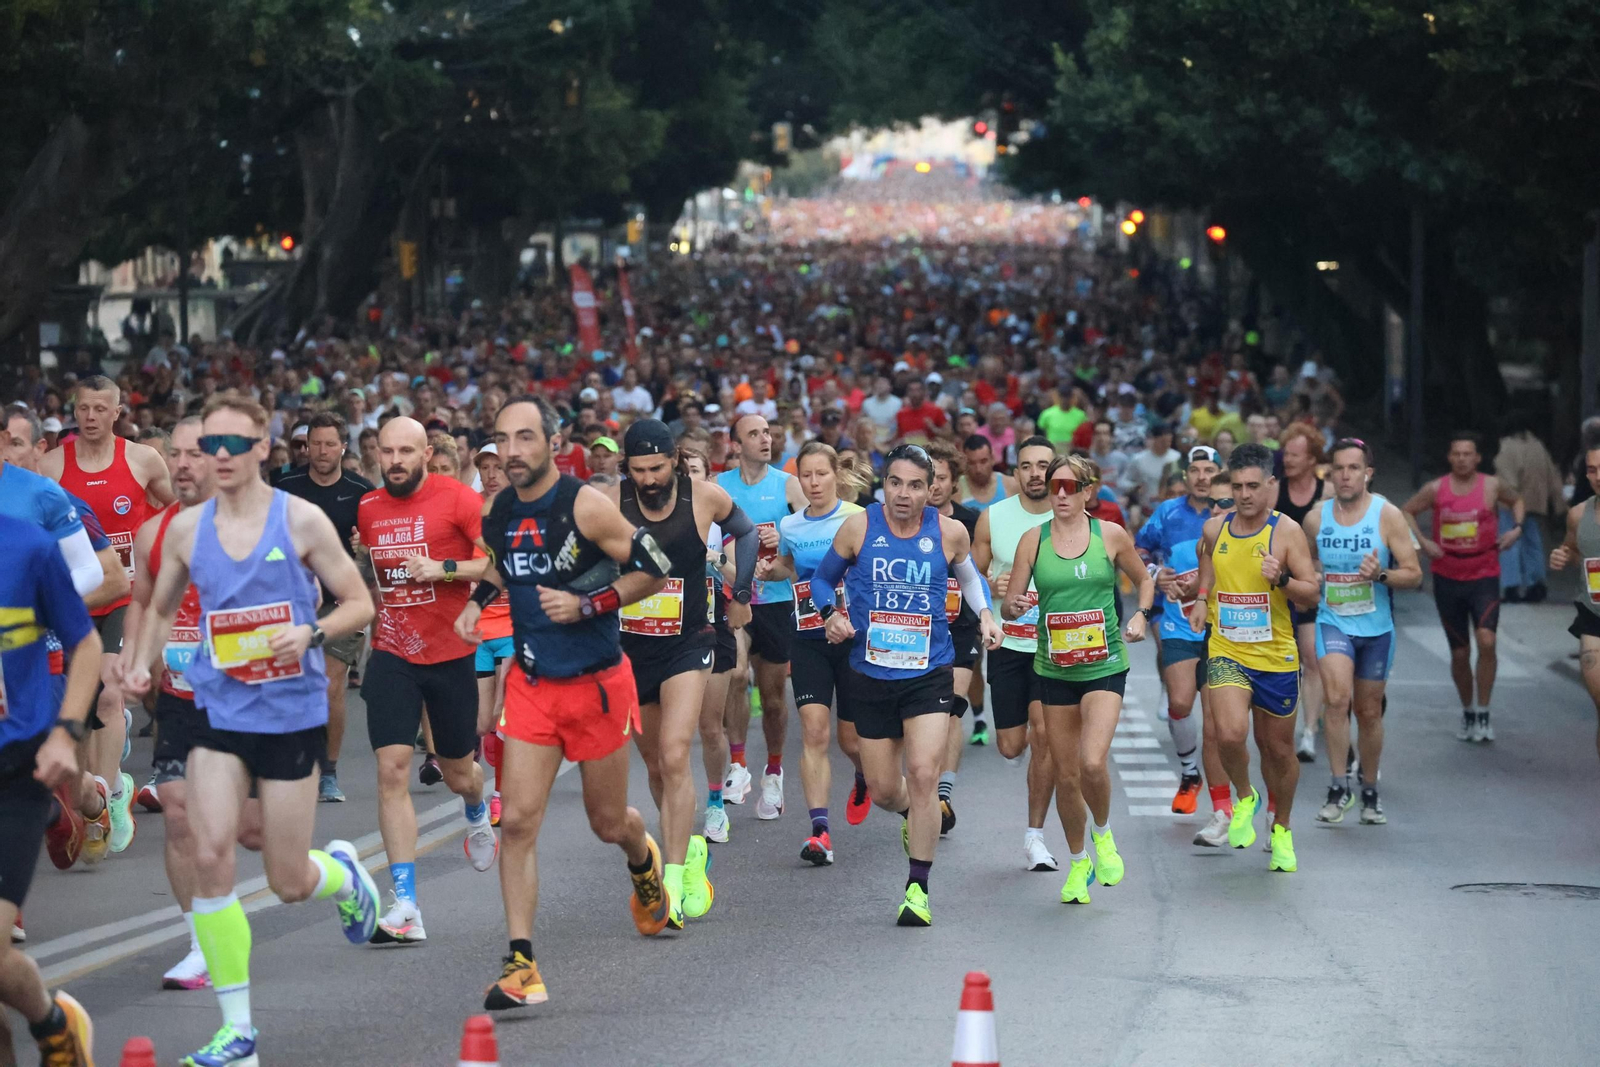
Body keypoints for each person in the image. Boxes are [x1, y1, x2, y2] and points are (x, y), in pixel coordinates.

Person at [122, 393, 381, 1067]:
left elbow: (358, 602)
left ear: (264, 448)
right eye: (212, 444)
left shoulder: (300, 519)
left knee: (288, 879)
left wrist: (312, 632)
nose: (222, 455)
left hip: (289, 712)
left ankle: (343, 876)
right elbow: (159, 606)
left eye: (236, 443)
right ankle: (237, 1031)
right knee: (212, 855)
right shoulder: (186, 531)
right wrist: (140, 662)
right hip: (217, 709)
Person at [453, 395, 674, 1011]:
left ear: (552, 442)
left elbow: (656, 567)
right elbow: (502, 565)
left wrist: (588, 604)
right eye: (503, 439)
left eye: (525, 437)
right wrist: (474, 603)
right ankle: (521, 964)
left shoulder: (585, 506)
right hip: (531, 686)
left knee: (609, 824)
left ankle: (642, 857)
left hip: (597, 685)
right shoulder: (499, 510)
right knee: (518, 822)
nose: (512, 451)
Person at [806, 444, 1003, 925]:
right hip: (870, 672)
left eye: (916, 485)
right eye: (895, 483)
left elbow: (971, 580)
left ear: (930, 489)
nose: (904, 494)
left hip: (929, 671)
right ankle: (911, 815)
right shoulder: (858, 528)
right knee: (883, 790)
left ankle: (918, 888)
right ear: (884, 485)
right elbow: (820, 581)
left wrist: (985, 615)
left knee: (922, 774)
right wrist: (830, 614)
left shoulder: (949, 532)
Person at [354, 417, 498, 944]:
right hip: (392, 651)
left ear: (426, 454)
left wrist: (445, 569)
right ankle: (406, 904)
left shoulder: (457, 498)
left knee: (461, 774)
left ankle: (476, 810)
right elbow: (370, 568)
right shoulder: (368, 508)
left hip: (450, 653)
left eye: (405, 451)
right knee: (391, 769)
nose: (395, 461)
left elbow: (498, 563)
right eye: (386, 451)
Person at [609, 419, 756, 927]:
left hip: (689, 642)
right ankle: (690, 848)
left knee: (675, 753)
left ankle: (671, 882)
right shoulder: (609, 503)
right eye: (638, 470)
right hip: (632, 650)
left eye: (657, 467)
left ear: (674, 459)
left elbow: (747, 534)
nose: (649, 479)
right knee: (655, 766)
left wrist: (741, 595)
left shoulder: (704, 498)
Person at [1004, 454, 1153, 903]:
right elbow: (1011, 599)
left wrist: (1142, 615)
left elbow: (1144, 581)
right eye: (1056, 486)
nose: (1062, 494)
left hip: (1104, 664)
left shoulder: (1110, 535)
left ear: (1089, 491)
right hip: (1054, 667)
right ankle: (1077, 862)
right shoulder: (1034, 540)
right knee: (1066, 775)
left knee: (1091, 762)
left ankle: (1102, 834)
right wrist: (1014, 605)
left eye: (1072, 486)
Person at [42, 375, 175, 859]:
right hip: (74, 600)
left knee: (108, 695)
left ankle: (110, 794)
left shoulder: (142, 460)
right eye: (83, 408)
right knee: (77, 705)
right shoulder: (52, 466)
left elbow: (178, 508)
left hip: (125, 597)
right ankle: (99, 790)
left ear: (118, 412)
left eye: (101, 408)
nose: (91, 417)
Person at [1186, 443, 1319, 874]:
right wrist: (1200, 598)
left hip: (1276, 655)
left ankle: (1282, 829)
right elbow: (1207, 568)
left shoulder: (1287, 532)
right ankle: (1246, 796)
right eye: (1238, 486)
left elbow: (1311, 593)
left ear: (1270, 485)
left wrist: (1281, 578)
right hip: (1228, 648)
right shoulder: (1214, 530)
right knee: (1227, 733)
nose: (1244, 495)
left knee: (1278, 750)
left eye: (1253, 487)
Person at [0, 515, 102, 1065]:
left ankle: (52, 1024)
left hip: (15, 768)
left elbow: (85, 644)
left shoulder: (28, 546)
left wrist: (66, 732)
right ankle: (53, 1023)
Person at [759, 441, 869, 864]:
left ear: (835, 474)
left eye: (821, 474)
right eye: (806, 475)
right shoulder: (791, 525)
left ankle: (865, 775)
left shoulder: (858, 518)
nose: (814, 482)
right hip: (808, 636)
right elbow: (790, 567)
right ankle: (820, 831)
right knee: (814, 732)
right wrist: (772, 569)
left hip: (853, 637)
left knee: (851, 739)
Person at [1304, 439, 1423, 825]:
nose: (1345, 475)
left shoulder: (1387, 515)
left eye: (1353, 468)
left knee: (1369, 711)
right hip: (1333, 621)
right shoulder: (1315, 519)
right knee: (1337, 701)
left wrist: (1381, 575)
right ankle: (1338, 787)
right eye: (1338, 468)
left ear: (1367, 473)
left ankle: (1369, 788)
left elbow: (1414, 574)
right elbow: (1307, 561)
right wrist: (1311, 576)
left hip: (1376, 629)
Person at [275, 412, 374, 803]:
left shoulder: (362, 491)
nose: (321, 451)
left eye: (330, 444)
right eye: (314, 443)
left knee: (331, 683)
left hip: (341, 602)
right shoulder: (285, 487)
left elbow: (373, 555)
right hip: (291, 598)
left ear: (343, 447)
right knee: (291, 683)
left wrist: (363, 551)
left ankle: (328, 772)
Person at [972, 436, 1059, 871]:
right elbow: (969, 574)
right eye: (1026, 465)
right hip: (1008, 644)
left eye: (1043, 465)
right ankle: (1019, 748)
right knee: (1010, 747)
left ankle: (1035, 837)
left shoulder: (1070, 517)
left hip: (1054, 647)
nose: (1035, 473)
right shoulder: (993, 517)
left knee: (1044, 735)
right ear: (1016, 471)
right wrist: (992, 585)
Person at [1402, 432, 1523, 742]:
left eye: (1467, 454)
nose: (1462, 459)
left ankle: (1484, 711)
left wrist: (1516, 529)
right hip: (1448, 577)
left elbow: (1517, 500)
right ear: (1449, 457)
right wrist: (1423, 542)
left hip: (1484, 574)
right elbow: (1407, 511)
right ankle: (1468, 711)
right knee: (1460, 653)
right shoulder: (1436, 488)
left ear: (1478, 458)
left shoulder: (1492, 486)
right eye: (1456, 454)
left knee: (1486, 640)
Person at [716, 415, 807, 818]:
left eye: (767, 432)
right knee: (736, 674)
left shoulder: (787, 485)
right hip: (733, 596)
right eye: (754, 434)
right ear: (736, 445)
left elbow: (812, 530)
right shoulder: (720, 486)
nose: (765, 439)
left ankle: (773, 771)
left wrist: (783, 535)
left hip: (776, 599)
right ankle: (738, 764)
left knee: (772, 700)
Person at [1137, 446, 1223, 814]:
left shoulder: (1230, 513)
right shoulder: (1168, 512)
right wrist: (1155, 574)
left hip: (1222, 627)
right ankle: (1190, 773)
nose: (1202, 477)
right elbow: (1138, 549)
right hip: (1179, 624)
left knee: (1216, 720)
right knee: (1180, 703)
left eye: (1210, 471)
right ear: (1186, 475)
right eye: (1196, 470)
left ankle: (1223, 803)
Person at [680, 445, 741, 845]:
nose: (689, 478)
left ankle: (716, 802)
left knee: (709, 725)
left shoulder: (721, 524)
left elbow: (737, 574)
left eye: (696, 471)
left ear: (709, 477)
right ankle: (678, 803)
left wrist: (714, 559)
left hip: (714, 627)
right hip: (675, 632)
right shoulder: (661, 520)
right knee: (676, 731)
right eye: (683, 471)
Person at [926, 441, 984, 835]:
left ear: (954, 483)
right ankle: (923, 784)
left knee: (951, 708)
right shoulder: (908, 520)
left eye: (941, 478)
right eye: (928, 477)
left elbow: (980, 570)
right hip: (917, 630)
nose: (934, 485)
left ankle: (942, 795)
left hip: (961, 626)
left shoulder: (970, 522)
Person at [1275, 425, 1330, 763]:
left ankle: (1308, 732)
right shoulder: (1274, 491)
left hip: (1312, 586)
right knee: (1287, 660)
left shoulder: (1329, 492)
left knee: (1311, 656)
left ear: (1312, 459)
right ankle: (1287, 718)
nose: (1288, 460)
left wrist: (1320, 569)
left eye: (1295, 455)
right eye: (1286, 454)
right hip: (1278, 587)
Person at [1548, 442, 1600, 762]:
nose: (1599, 476)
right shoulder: (1579, 515)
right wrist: (1561, 556)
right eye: (1592, 470)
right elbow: (1571, 550)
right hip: (1594, 619)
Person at [472, 443, 515, 826]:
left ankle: (500, 794)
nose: (490, 474)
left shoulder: (522, 511)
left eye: (497, 467)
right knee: (482, 723)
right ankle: (497, 768)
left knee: (503, 717)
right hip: (478, 630)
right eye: (484, 467)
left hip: (513, 630)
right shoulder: (470, 514)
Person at [1494, 413, 1564, 603]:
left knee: (1509, 542)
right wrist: (1558, 503)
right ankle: (1536, 583)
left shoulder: (1507, 446)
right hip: (1535, 502)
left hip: (1511, 504)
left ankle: (1511, 586)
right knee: (1533, 543)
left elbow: (1506, 479)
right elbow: (1552, 475)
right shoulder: (1538, 446)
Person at [959, 435, 1016, 512]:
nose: (978, 469)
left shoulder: (1011, 485)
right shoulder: (956, 489)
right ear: (964, 463)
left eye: (983, 462)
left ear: (992, 459)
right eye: (971, 463)